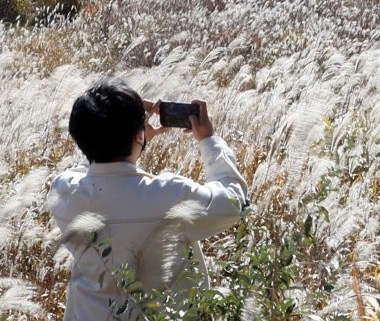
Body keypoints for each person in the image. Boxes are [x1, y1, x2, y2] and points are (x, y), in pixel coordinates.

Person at [48, 79, 249, 321]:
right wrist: (209, 141)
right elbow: (233, 203)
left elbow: (93, 169)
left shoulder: (63, 193)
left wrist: (134, 140)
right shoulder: (170, 195)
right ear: (137, 135)